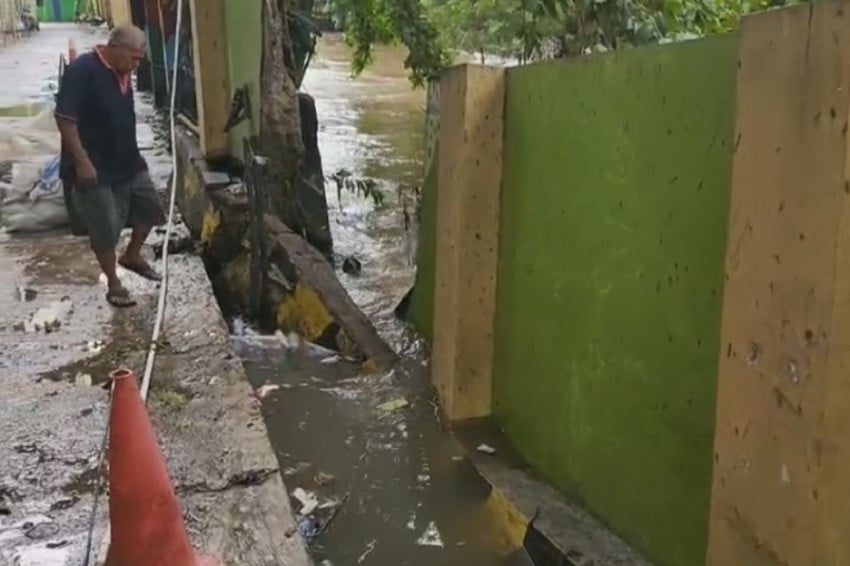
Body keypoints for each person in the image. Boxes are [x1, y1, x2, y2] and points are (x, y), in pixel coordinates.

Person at [55, 24, 165, 307]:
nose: (136, 65)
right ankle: (113, 282)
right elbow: (66, 119)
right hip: (93, 164)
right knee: (104, 225)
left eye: (140, 60)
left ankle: (132, 255)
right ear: (113, 48)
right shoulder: (82, 71)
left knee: (151, 207)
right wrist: (82, 162)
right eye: (134, 58)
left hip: (127, 159)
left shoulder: (123, 71)